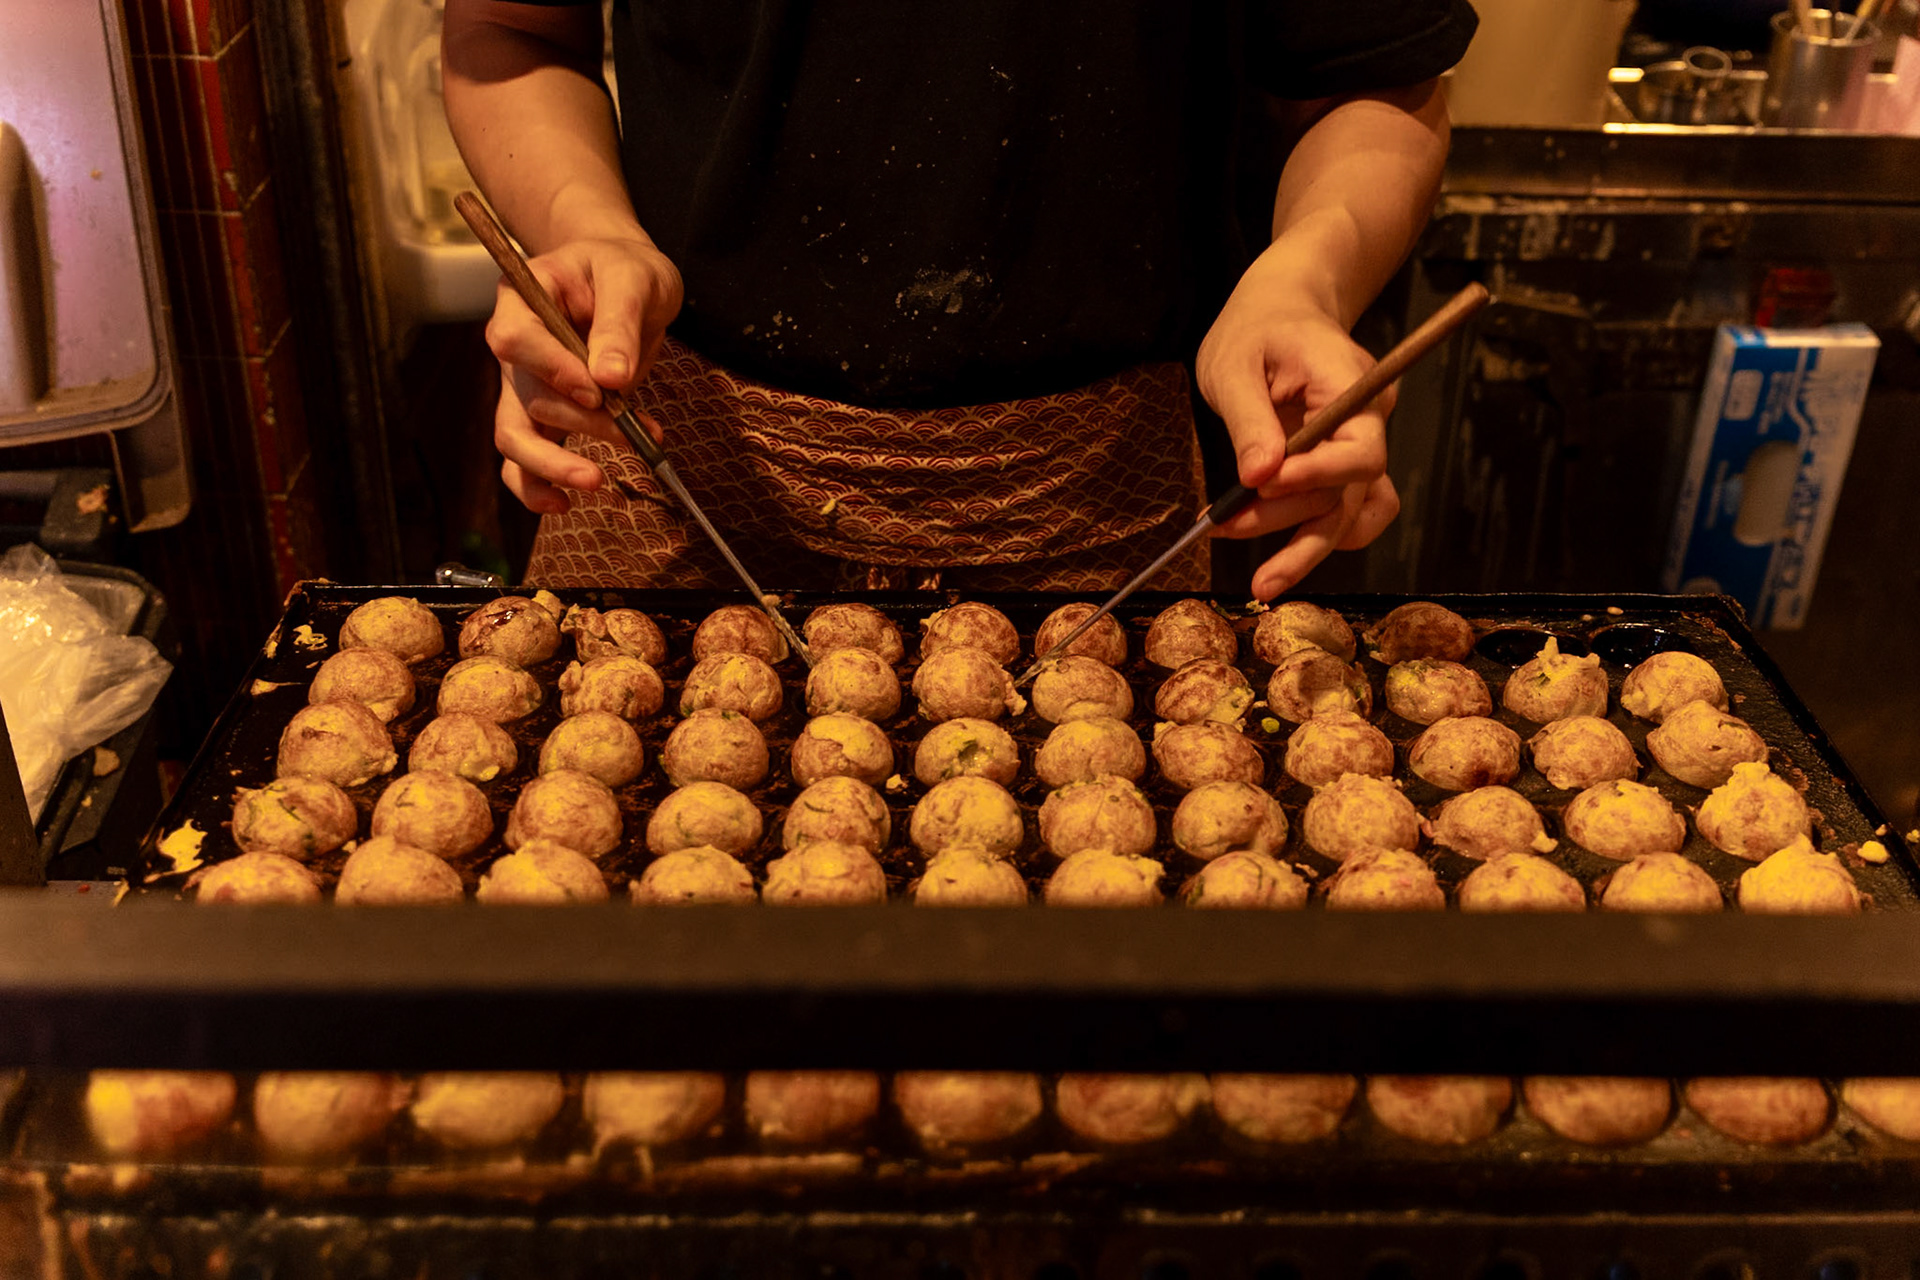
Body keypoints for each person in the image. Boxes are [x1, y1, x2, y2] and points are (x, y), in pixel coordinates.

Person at [441, 2, 1475, 597]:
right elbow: (510, 30)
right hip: (677, 454)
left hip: (1102, 494)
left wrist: (1308, 272)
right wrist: (584, 226)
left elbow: (1374, 79)